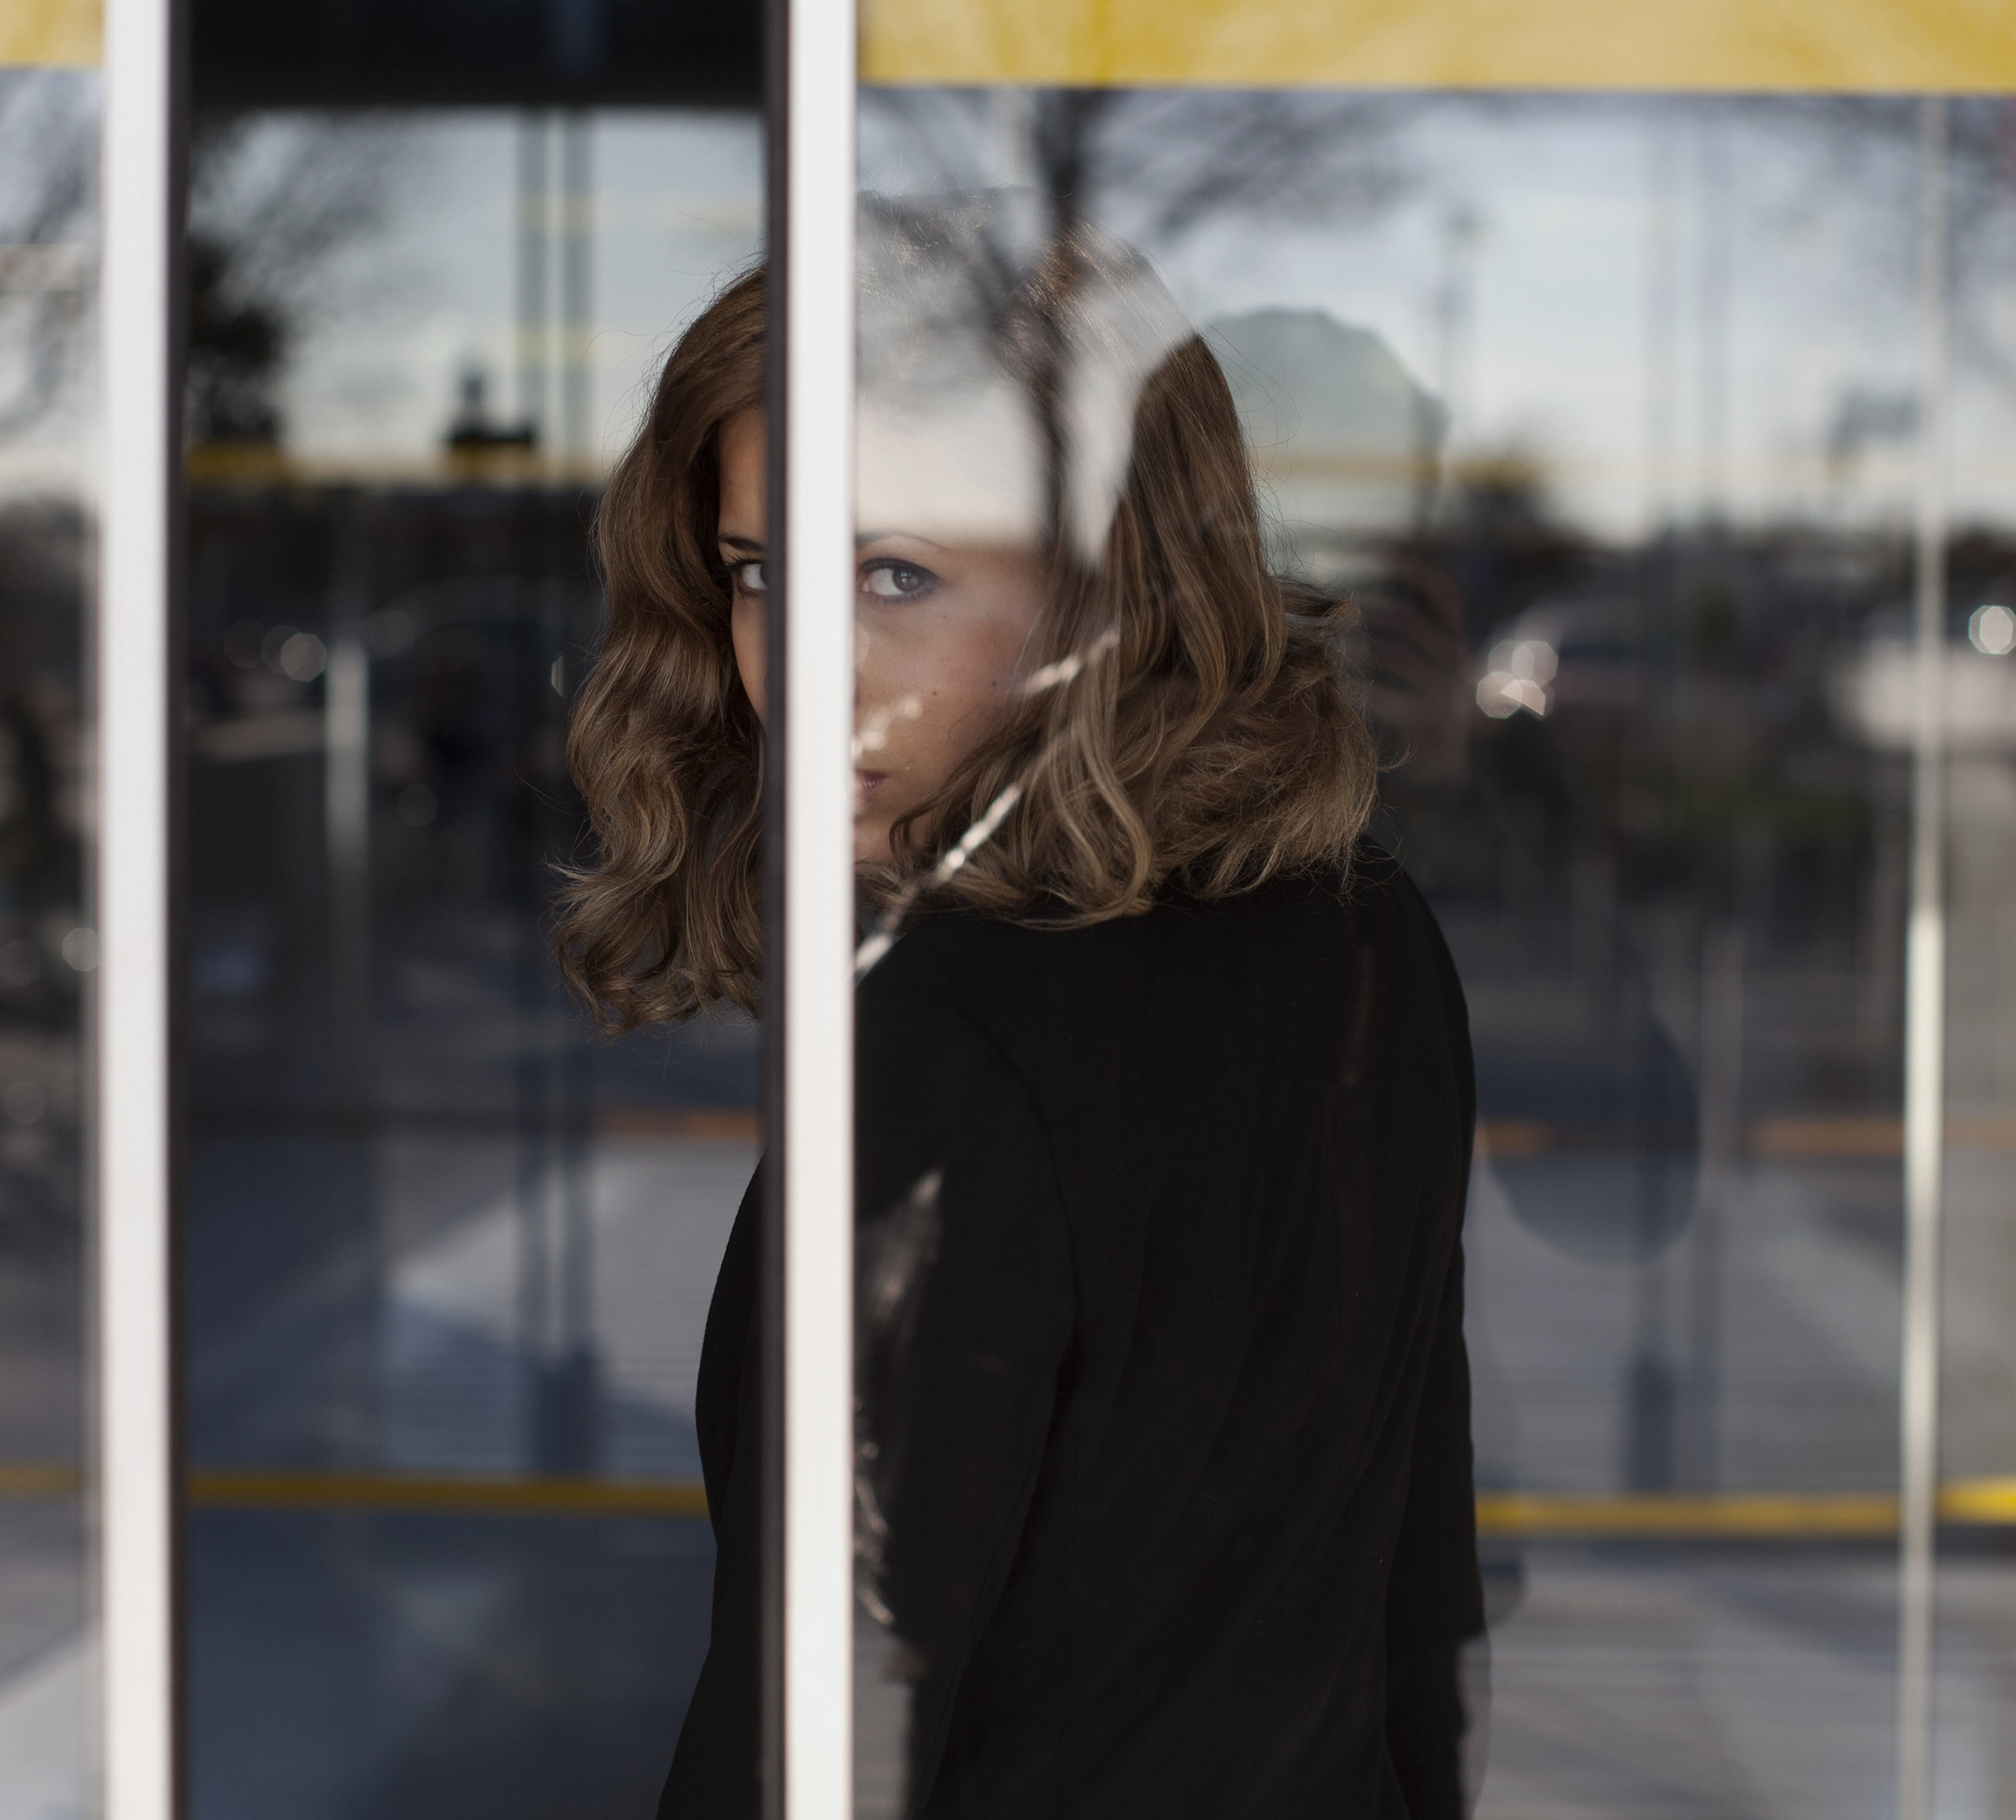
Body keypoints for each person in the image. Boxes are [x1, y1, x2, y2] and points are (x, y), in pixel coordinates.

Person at [557, 198, 1485, 1818]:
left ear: (1114, 585)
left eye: (898, 573)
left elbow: (811, 1738)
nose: (811, 668)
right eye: (763, 573)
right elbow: (1418, 1599)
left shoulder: (940, 1044)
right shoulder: (1369, 930)